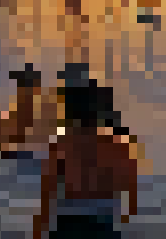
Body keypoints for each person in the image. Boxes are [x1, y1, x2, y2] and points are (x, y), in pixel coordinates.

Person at [34, 84, 141, 238]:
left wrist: (40, 226)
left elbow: (48, 188)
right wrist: (127, 212)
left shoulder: (62, 143)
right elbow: (130, 182)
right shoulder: (115, 144)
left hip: (69, 217)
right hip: (103, 217)